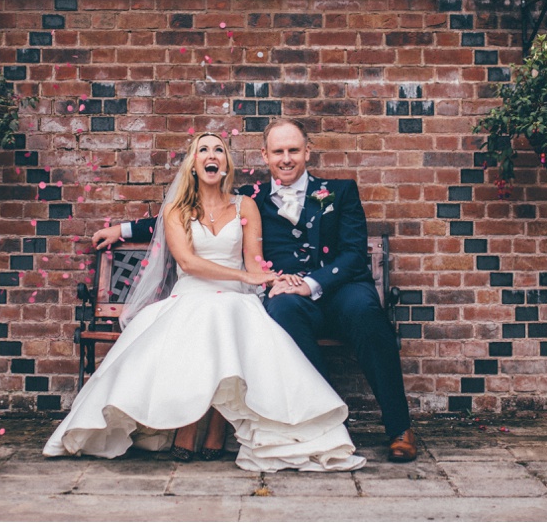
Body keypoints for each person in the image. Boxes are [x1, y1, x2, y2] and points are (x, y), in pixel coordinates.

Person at [93, 119, 417, 462]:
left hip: (340, 289)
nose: (286, 158)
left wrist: (309, 284)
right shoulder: (251, 198)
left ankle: (399, 428)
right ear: (265, 155)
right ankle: (325, 424)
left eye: (294, 150)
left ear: (308, 152)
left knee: (366, 313)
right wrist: (124, 229)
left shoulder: (340, 191)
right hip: (285, 294)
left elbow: (353, 256)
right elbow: (192, 209)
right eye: (278, 152)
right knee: (281, 313)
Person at [46, 132, 366, 472]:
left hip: (233, 298)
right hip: (192, 293)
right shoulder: (176, 210)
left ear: (226, 164)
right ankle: (192, 422)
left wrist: (275, 278)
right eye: (203, 150)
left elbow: (255, 262)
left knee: (226, 313)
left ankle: (213, 426)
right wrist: (245, 277)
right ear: (194, 164)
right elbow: (187, 263)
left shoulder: (246, 205)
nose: (211, 155)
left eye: (219, 150)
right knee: (205, 316)